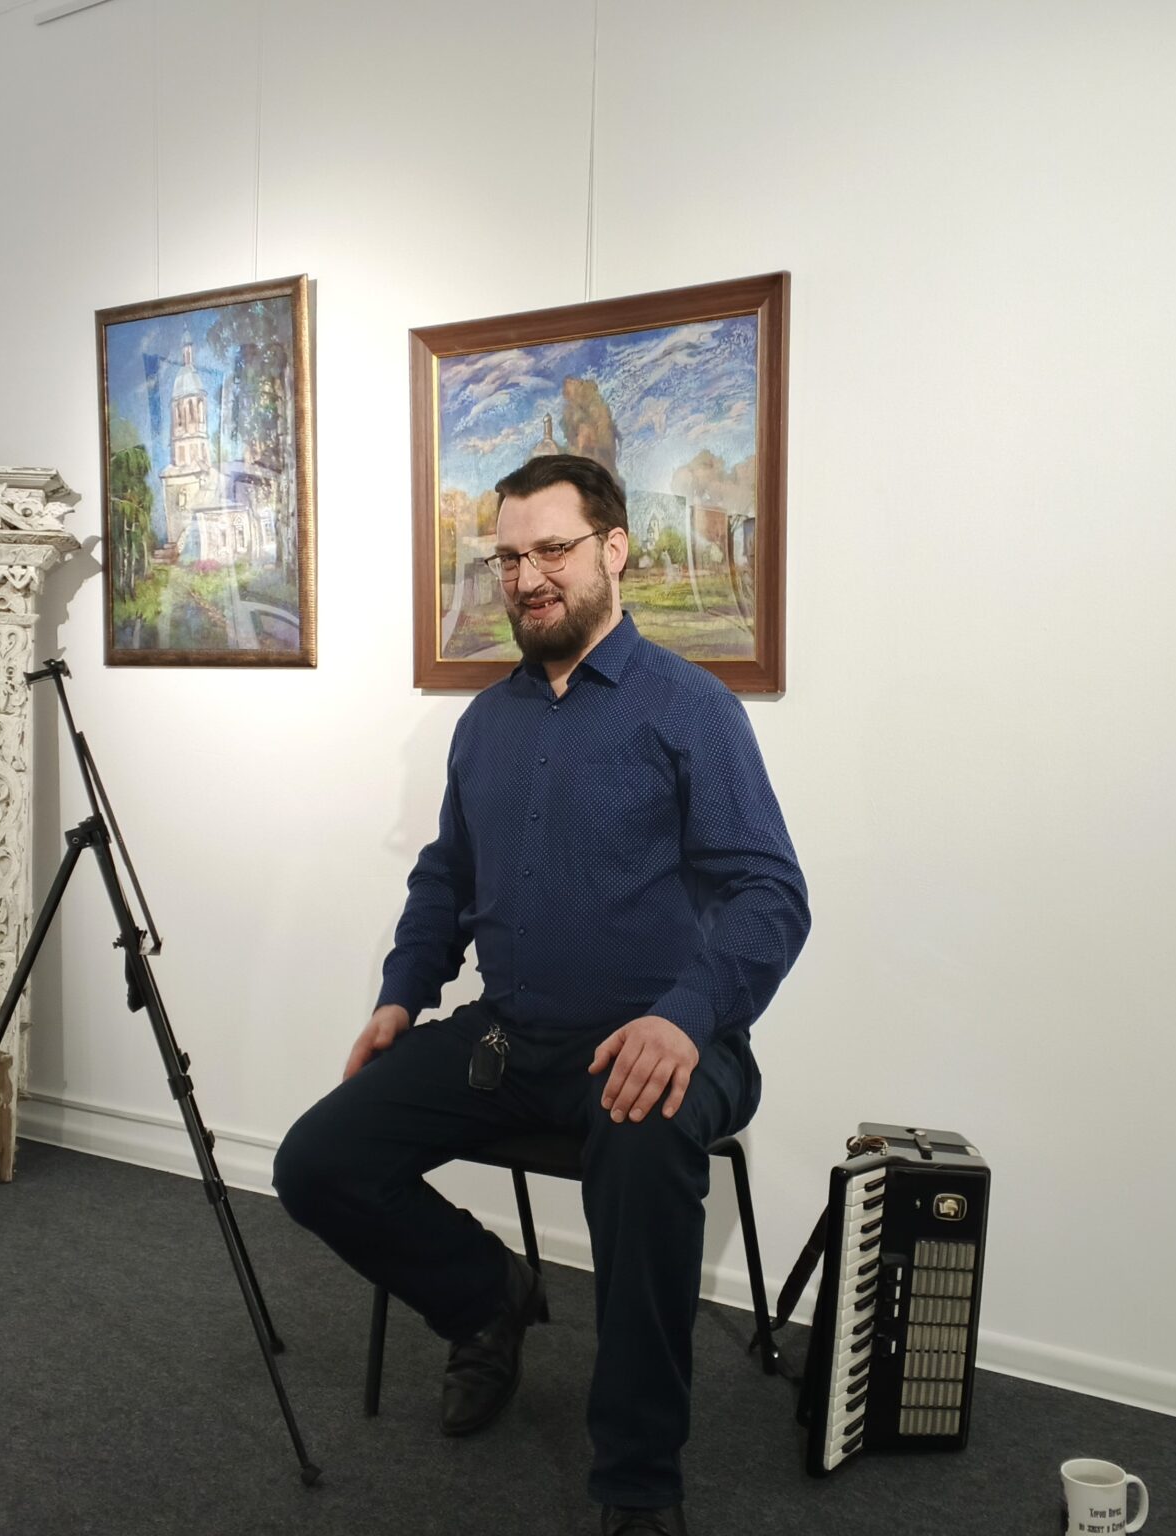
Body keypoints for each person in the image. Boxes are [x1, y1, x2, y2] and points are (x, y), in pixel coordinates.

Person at [274, 453, 809, 1536]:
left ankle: (637, 1482)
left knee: (642, 1141)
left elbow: (770, 896)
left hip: (668, 1037)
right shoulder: (486, 723)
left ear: (613, 551)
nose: (526, 578)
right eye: (508, 558)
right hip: (512, 1038)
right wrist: (402, 993)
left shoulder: (691, 710)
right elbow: (445, 878)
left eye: (551, 550)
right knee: (315, 1162)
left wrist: (683, 1016)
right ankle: (489, 1298)